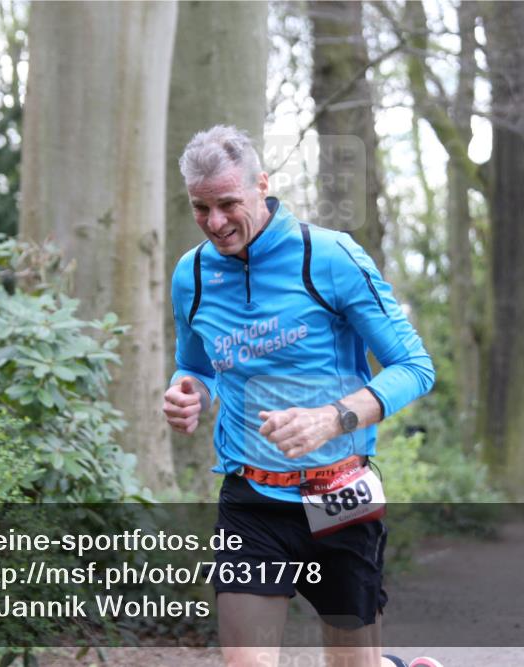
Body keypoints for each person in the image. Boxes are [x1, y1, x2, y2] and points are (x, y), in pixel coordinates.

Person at [163, 125, 439, 667]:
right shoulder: (191, 275)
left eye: (227, 204)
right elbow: (195, 365)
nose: (215, 223)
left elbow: (415, 367)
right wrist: (188, 390)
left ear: (262, 185)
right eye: (200, 208)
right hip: (251, 499)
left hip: (339, 492)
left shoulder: (330, 257)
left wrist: (333, 419)